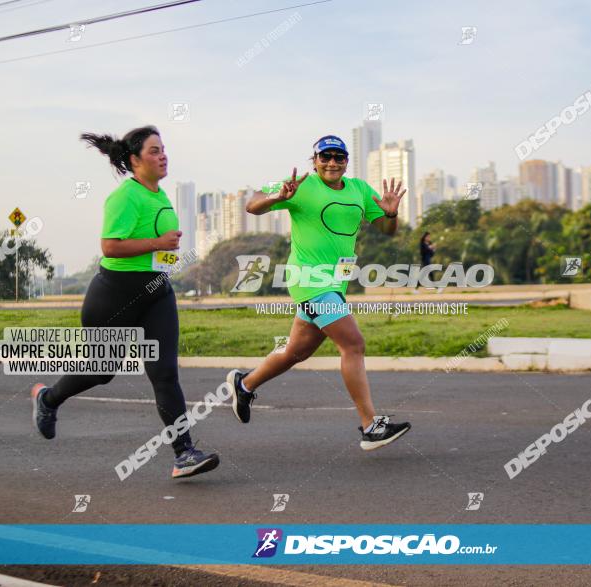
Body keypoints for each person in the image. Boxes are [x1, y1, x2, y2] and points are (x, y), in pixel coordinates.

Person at [30, 125, 219, 479]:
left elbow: (157, 245)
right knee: (102, 371)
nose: (163, 155)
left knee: (164, 374)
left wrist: (164, 250)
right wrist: (158, 244)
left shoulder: (160, 195)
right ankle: (48, 399)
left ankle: (183, 455)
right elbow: (110, 247)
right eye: (154, 150)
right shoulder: (124, 197)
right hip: (114, 297)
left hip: (156, 294)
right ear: (134, 160)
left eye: (164, 149)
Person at [226, 135, 411, 450]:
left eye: (339, 157)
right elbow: (252, 203)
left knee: (296, 352)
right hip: (309, 281)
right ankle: (370, 426)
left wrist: (391, 214)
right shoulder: (301, 185)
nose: (332, 163)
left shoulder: (360, 190)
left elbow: (386, 230)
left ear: (346, 162)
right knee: (353, 344)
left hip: (335, 282)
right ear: (314, 160)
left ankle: (244, 384)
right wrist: (277, 197)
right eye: (325, 157)